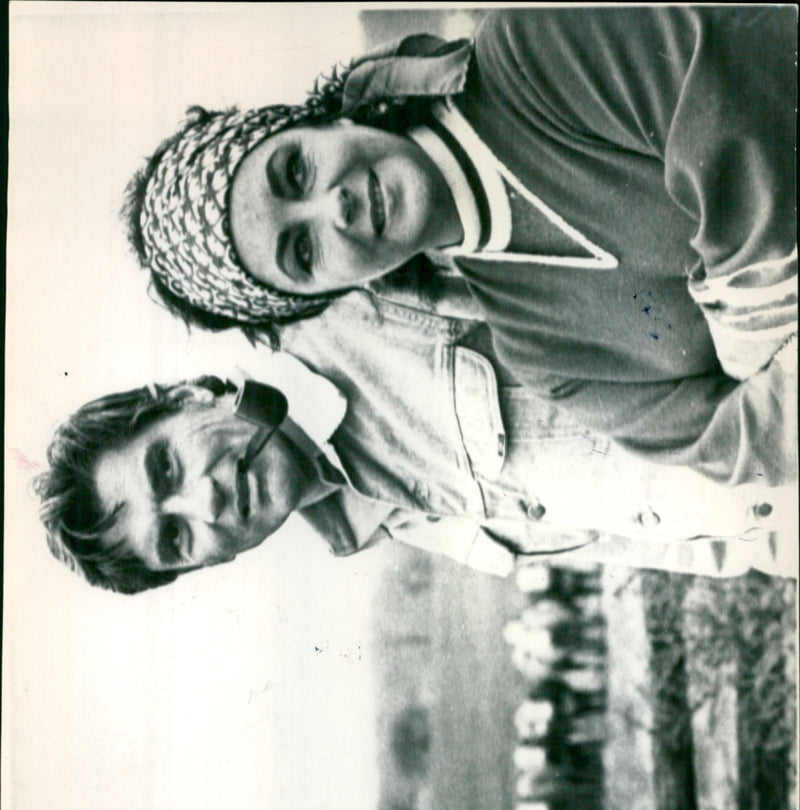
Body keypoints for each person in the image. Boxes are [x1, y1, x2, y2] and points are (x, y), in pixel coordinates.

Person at [123, 6, 797, 487]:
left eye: (294, 171)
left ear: (318, 123)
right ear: (329, 295)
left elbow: (746, 106)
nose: (335, 205)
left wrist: (747, 339)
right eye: (303, 253)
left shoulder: (529, 50)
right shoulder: (541, 350)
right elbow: (742, 445)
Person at [34, 361, 796, 595]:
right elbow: (653, 539)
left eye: (166, 464)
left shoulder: (359, 334)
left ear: (185, 398)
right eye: (175, 536)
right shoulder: (373, 519)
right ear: (207, 562)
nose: (206, 499)